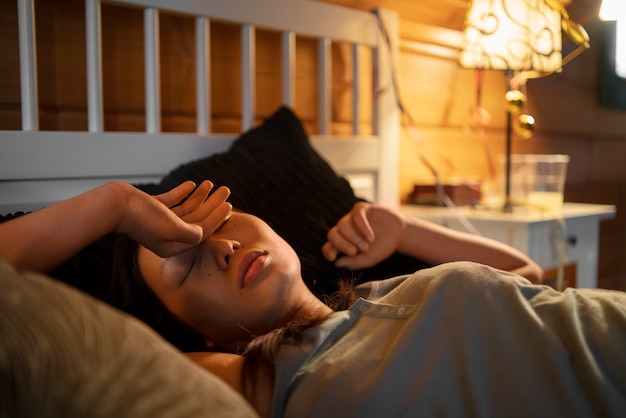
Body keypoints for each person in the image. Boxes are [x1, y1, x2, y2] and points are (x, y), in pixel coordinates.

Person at [3, 181, 624, 417]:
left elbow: (528, 280)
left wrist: (406, 231)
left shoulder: (386, 293)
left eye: (220, 224)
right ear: (202, 335)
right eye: (183, 262)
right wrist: (111, 205)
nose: (219, 248)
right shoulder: (239, 377)